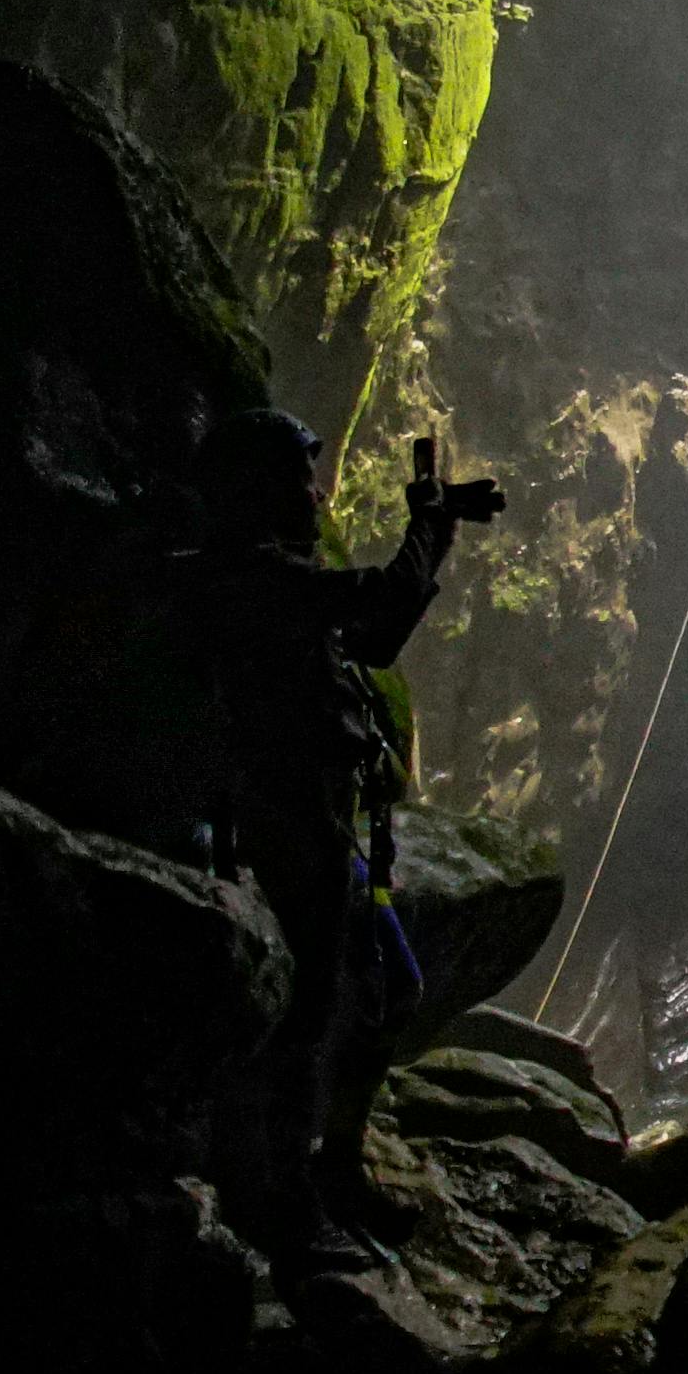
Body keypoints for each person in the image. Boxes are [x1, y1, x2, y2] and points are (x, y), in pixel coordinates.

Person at [181, 412, 499, 1243]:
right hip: (284, 832)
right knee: (310, 1012)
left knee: (387, 985)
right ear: (255, 493)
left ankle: (335, 1166)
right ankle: (286, 1200)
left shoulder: (276, 578)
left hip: (325, 825)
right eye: (299, 477)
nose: (318, 494)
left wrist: (437, 530)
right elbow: (383, 602)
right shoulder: (247, 584)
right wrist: (429, 524)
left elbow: (378, 634)